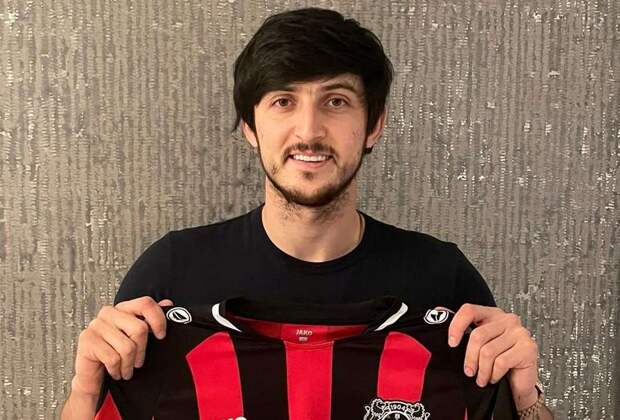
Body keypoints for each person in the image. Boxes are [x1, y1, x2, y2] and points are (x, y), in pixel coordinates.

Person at [61, 7, 552, 419]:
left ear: (374, 124)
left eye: (335, 101)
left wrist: (526, 400)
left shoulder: (443, 280)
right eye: (283, 101)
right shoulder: (172, 273)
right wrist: (85, 392)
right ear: (251, 126)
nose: (309, 131)